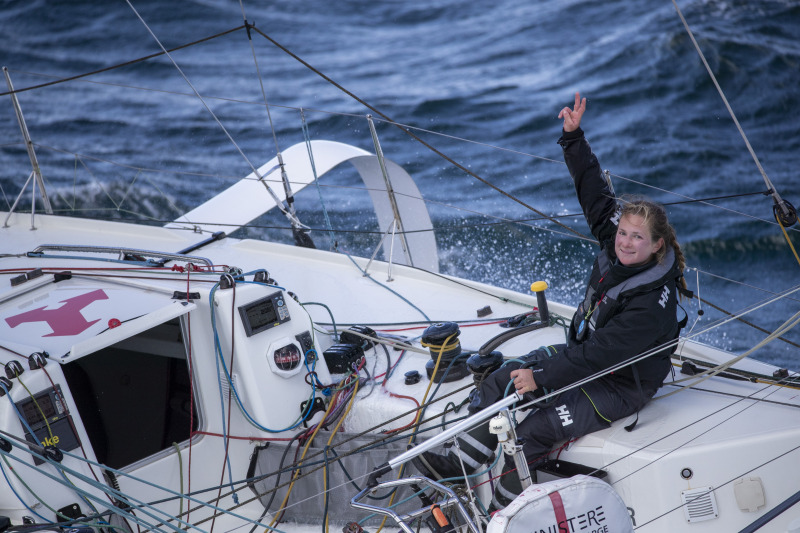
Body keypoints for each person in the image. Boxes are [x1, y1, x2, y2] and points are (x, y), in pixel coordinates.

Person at [414, 92, 688, 510]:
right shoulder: (618, 247)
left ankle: (502, 512)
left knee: (530, 434)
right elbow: (595, 197)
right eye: (623, 233)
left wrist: (542, 379)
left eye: (637, 238)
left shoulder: (652, 304)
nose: (625, 242)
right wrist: (573, 138)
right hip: (584, 358)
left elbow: (600, 355)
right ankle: (458, 464)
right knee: (503, 378)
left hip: (619, 386)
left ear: (657, 246)